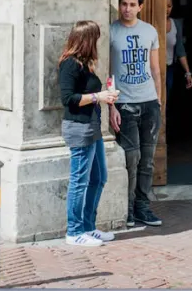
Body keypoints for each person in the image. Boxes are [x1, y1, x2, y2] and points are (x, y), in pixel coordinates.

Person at [58, 20, 119, 247]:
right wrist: (98, 97)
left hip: (93, 127)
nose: (98, 43)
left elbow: (93, 94)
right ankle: (74, 232)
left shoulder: (87, 64)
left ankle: (88, 226)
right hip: (79, 128)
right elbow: (68, 99)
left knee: (99, 177)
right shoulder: (69, 65)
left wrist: (109, 102)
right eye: (95, 38)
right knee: (80, 181)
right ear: (86, 40)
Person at [109, 0, 162, 228]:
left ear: (140, 6)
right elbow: (107, 73)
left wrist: (159, 101)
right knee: (132, 157)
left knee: (147, 160)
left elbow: (155, 69)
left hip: (149, 102)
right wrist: (111, 106)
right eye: (123, 4)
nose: (127, 9)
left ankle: (142, 207)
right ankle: (127, 208)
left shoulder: (150, 31)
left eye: (132, 5)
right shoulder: (111, 32)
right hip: (125, 105)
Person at [165, 0, 192, 99]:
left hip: (169, 67)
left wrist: (188, 73)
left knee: (168, 91)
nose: (166, 9)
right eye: (163, 6)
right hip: (153, 67)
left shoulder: (176, 24)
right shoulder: (152, 24)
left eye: (169, 6)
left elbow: (180, 49)